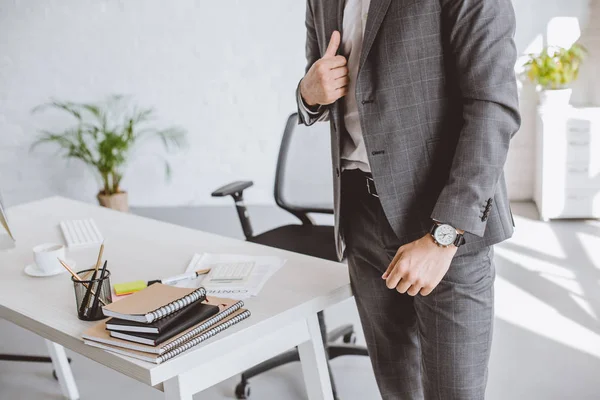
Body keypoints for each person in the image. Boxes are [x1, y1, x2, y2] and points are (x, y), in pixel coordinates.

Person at [296, 0, 521, 399]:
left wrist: (444, 236)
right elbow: (322, 79)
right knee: (397, 389)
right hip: (361, 220)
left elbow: (493, 107)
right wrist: (308, 93)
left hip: (444, 225)